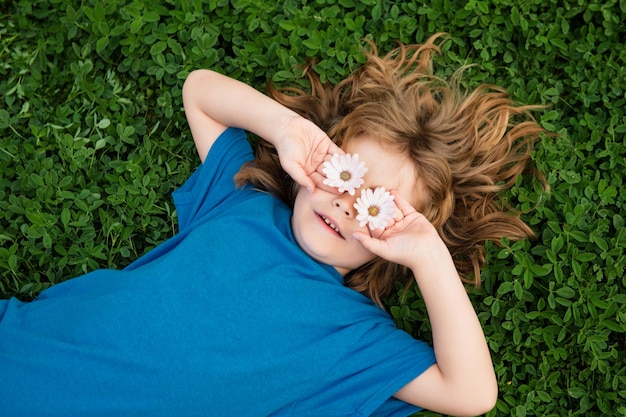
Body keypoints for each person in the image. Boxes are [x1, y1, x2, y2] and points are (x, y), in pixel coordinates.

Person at [0, 34, 544, 416]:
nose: (345, 206)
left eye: (377, 206)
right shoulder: (244, 204)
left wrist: (430, 259)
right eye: (342, 175)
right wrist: (287, 128)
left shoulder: (355, 337)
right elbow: (200, 91)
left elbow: (472, 393)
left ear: (397, 238)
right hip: (20, 348)